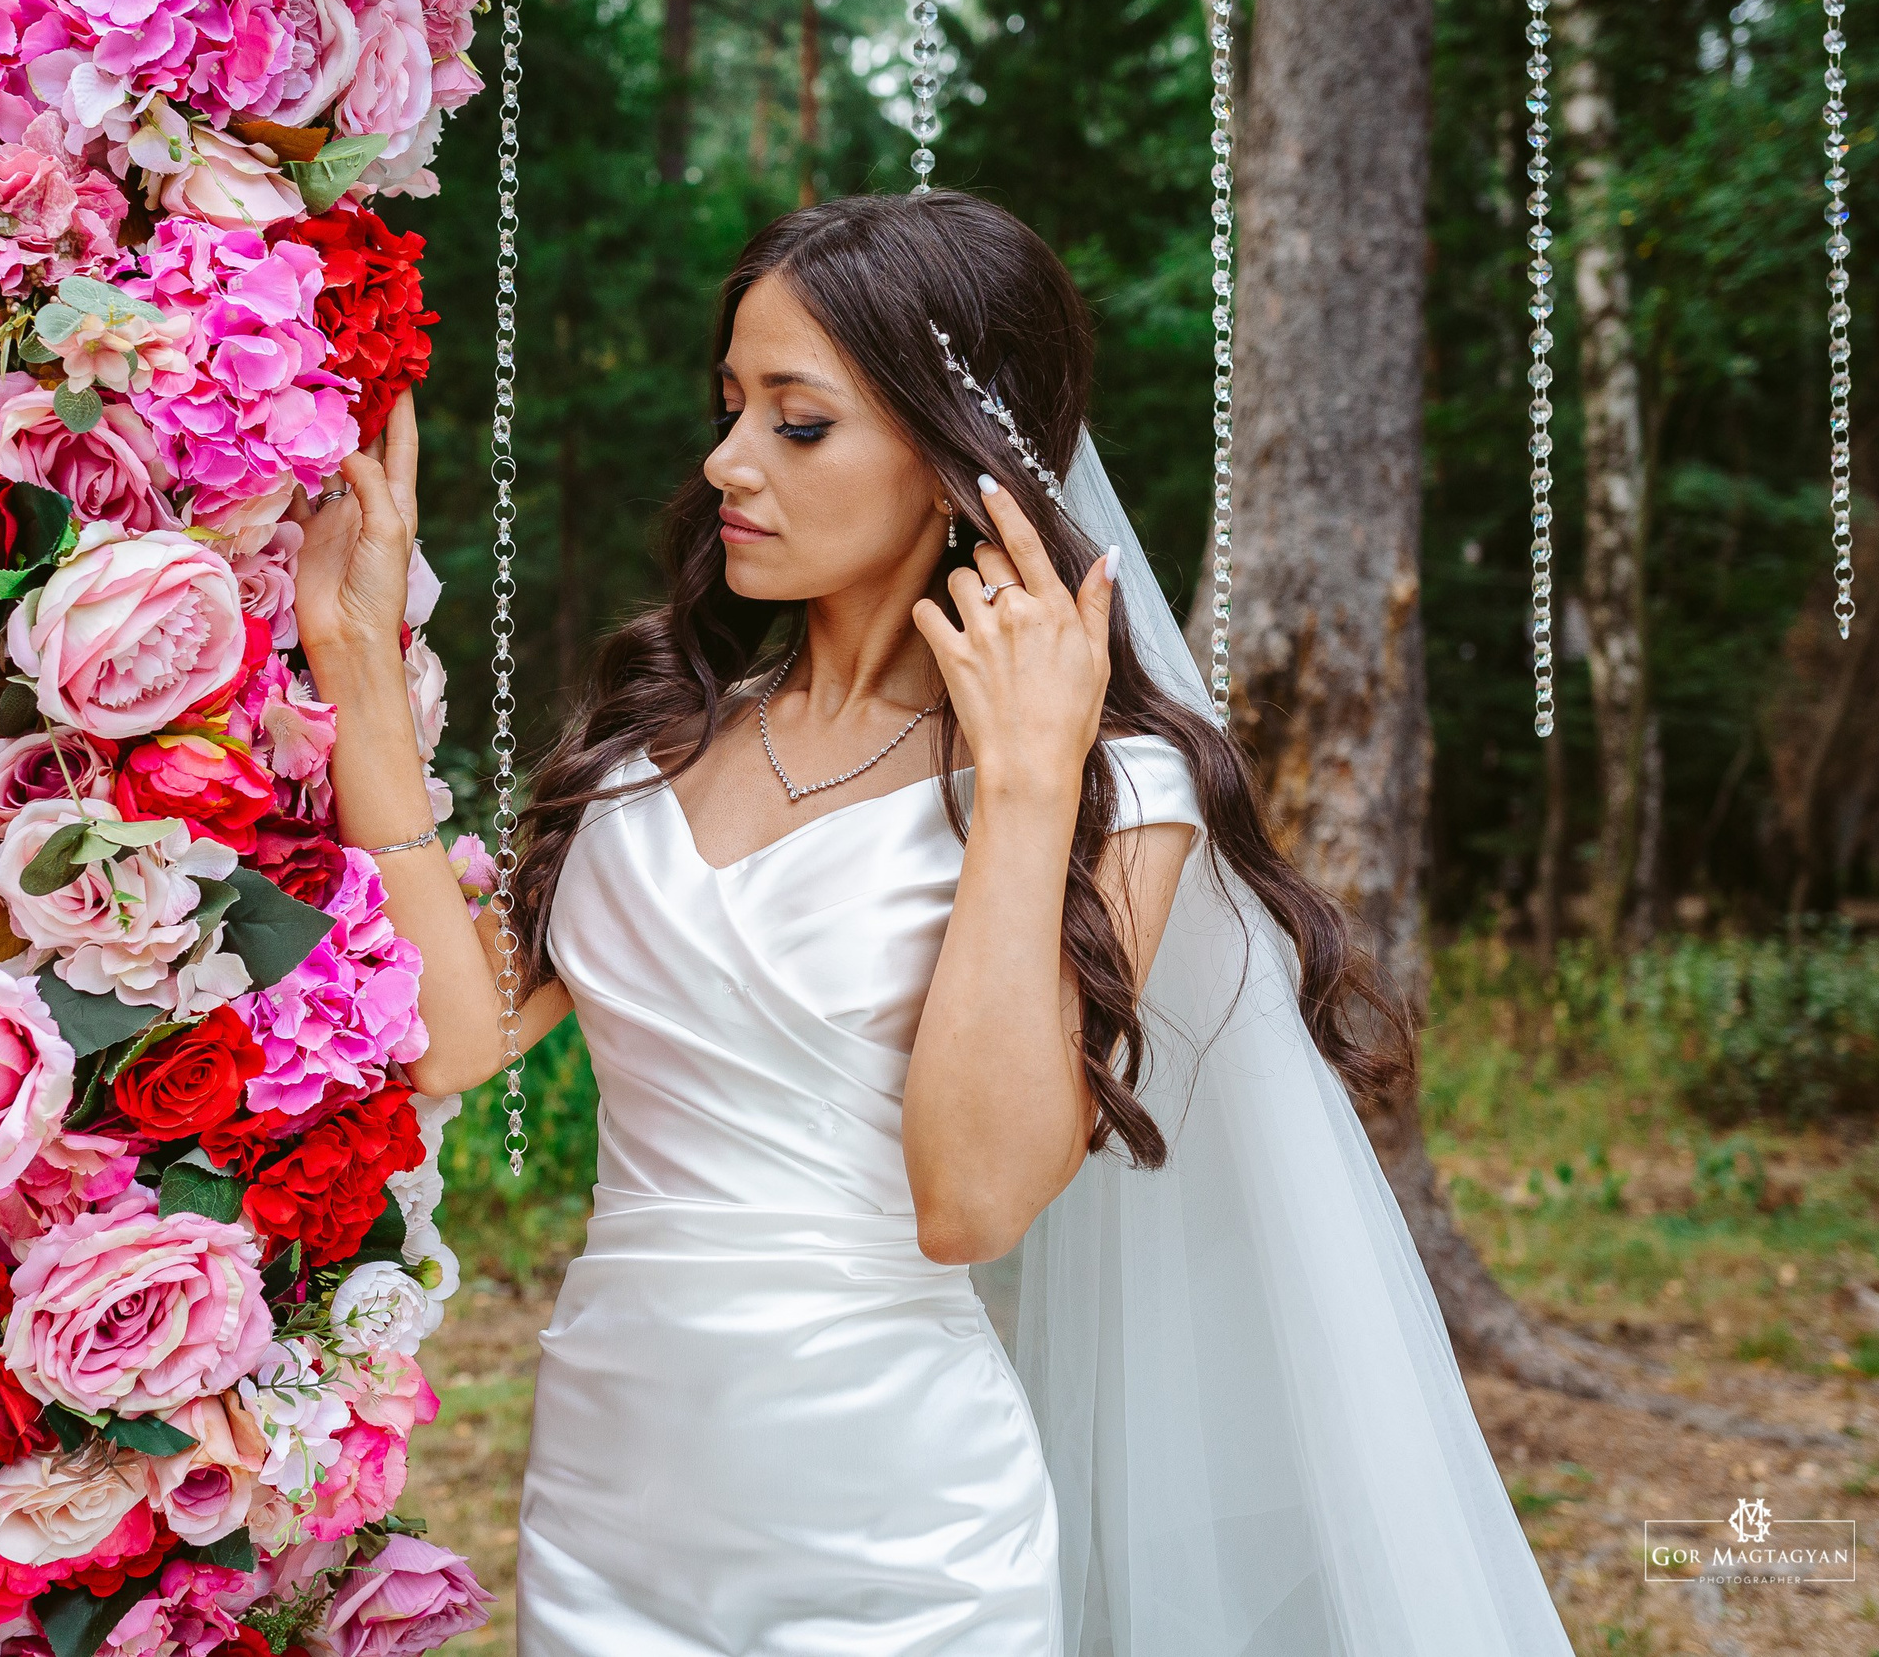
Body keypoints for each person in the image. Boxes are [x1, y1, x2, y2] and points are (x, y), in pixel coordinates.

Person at [290, 190, 1573, 1656]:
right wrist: (362, 674)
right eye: (730, 409)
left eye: (800, 421)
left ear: (954, 458)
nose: (727, 462)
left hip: (890, 1523)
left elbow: (970, 1199)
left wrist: (1026, 789)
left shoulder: (1108, 792)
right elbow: (456, 1040)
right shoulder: (654, 742)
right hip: (608, 1483)